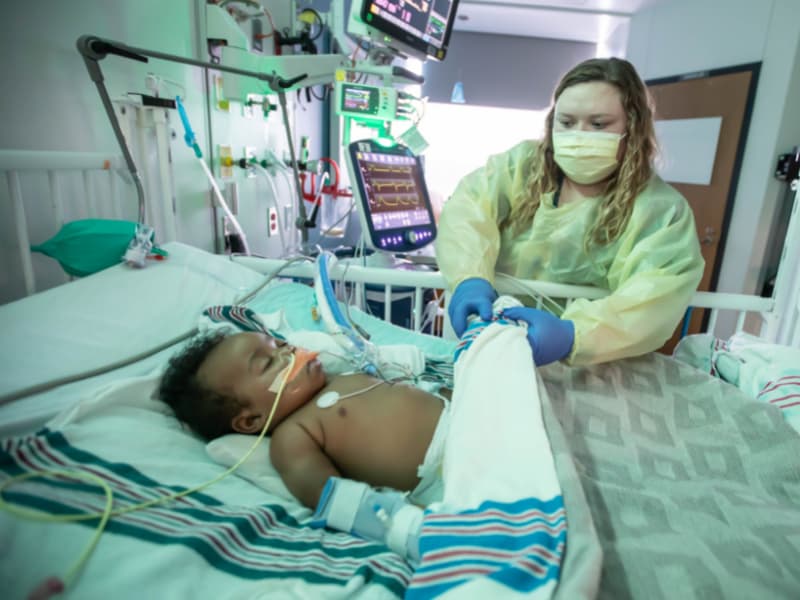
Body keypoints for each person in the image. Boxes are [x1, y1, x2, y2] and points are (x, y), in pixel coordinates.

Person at [436, 57, 705, 367]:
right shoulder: (521, 167)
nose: (579, 134)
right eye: (567, 122)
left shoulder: (659, 213)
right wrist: (470, 278)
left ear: (633, 126)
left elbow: (655, 296)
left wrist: (574, 334)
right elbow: (467, 211)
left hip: (589, 366)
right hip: (486, 340)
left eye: (598, 124)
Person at [157, 329, 448, 559]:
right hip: (446, 471)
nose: (289, 350)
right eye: (269, 361)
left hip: (466, 414)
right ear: (250, 421)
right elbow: (338, 500)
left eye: (280, 343)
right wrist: (411, 528)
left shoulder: (339, 375)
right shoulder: (293, 437)